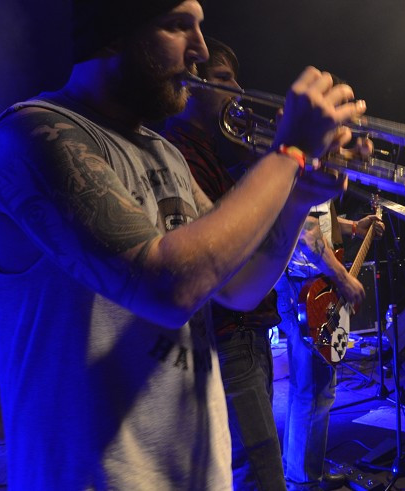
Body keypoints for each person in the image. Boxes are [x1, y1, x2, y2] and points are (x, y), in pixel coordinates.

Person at [0, 0, 364, 489]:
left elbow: (237, 288)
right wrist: (288, 152)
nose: (200, 51)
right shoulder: (33, 137)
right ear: (113, 32)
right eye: (179, 27)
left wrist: (299, 196)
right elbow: (167, 289)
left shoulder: (162, 151)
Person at [161, 38, 287, 491]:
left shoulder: (211, 152)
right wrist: (280, 161)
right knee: (262, 478)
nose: (238, 89)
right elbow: (222, 240)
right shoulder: (178, 151)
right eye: (222, 79)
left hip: (246, 330)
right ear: (190, 85)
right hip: (230, 336)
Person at [275, 199, 382, 491]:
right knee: (314, 390)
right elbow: (308, 233)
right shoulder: (314, 161)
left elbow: (317, 218)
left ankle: (303, 471)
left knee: (311, 389)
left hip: (309, 281)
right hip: (307, 285)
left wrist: (351, 227)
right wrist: (344, 277)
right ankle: (303, 481)